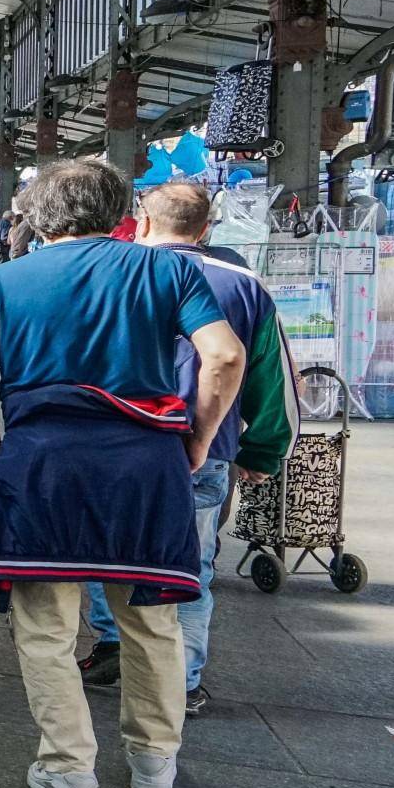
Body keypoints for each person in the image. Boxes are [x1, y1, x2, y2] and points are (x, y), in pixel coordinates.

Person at [0, 160, 246, 788]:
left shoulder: (3, 282)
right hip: (144, 469)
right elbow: (224, 355)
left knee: (46, 627)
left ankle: (68, 771)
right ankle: (153, 760)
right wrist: (196, 440)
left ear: (39, 213)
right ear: (121, 212)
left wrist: (2, 457)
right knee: (152, 622)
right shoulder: (169, 270)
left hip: (42, 467)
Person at [77, 181, 293, 712]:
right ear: (206, 229)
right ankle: (181, 681)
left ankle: (113, 644)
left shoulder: (110, 275)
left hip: (112, 444)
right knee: (189, 566)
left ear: (142, 223)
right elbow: (269, 378)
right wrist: (261, 451)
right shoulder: (245, 286)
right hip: (203, 447)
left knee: (105, 552)